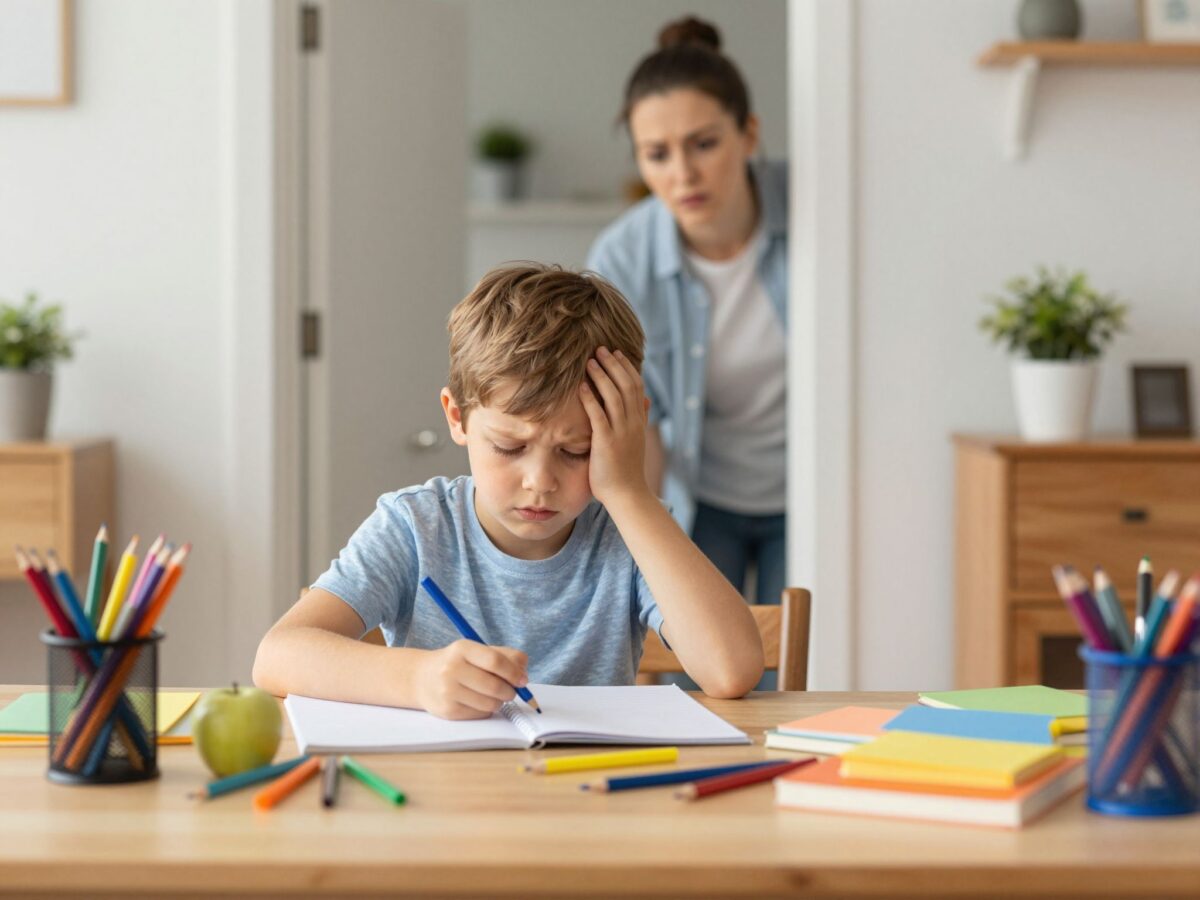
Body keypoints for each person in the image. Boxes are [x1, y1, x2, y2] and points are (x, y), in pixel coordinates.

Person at [253, 264, 763, 719]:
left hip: (587, 800)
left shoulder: (629, 530)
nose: (540, 481)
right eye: (510, 446)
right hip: (441, 801)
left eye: (577, 451)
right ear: (458, 417)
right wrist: (418, 679)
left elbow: (731, 670)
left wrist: (629, 491)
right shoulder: (416, 525)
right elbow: (278, 655)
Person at [587, 16, 788, 614]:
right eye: (657, 154)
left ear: (748, 134)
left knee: (800, 668)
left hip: (810, 495)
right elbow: (634, 418)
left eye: (704, 144)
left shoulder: (820, 212)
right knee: (696, 671)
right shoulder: (621, 257)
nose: (683, 174)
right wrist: (636, 546)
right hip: (700, 498)